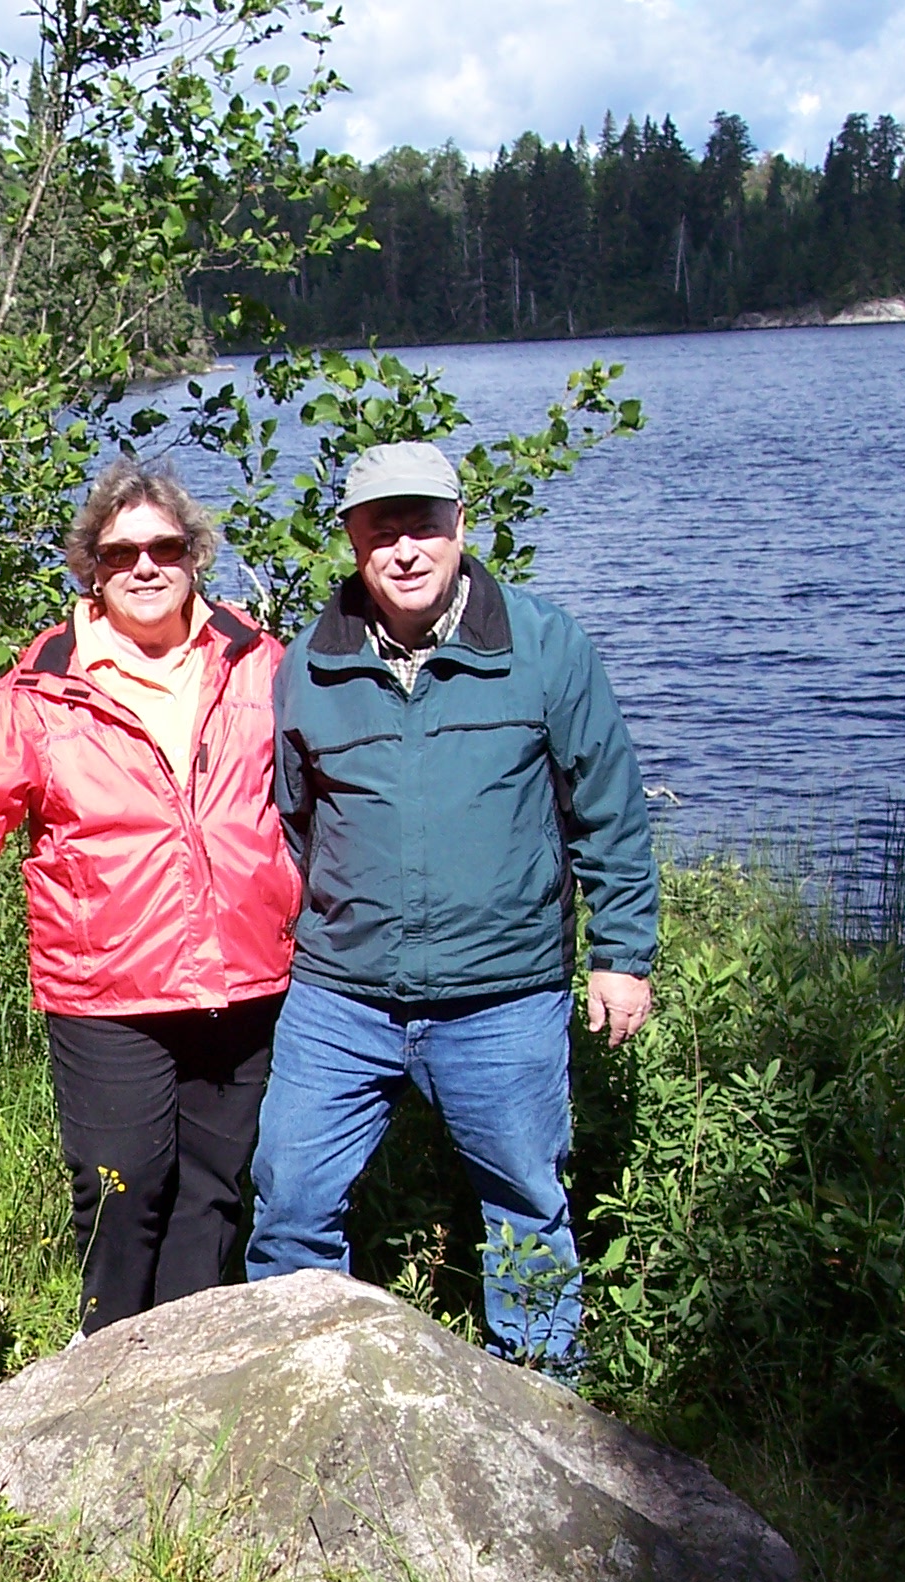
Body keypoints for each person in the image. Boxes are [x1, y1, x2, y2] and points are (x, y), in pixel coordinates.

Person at [0, 459, 299, 1337]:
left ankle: (187, 1364)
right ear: (93, 569)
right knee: (122, 1188)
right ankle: (106, 1359)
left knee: (213, 1192)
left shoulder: (260, 664)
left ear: (194, 556)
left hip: (247, 977)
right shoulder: (42, 687)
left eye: (164, 547)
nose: (145, 567)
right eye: (122, 554)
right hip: (108, 988)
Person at [243, 441, 659, 1373]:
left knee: (524, 1207)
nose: (404, 549)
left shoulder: (544, 646)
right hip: (342, 999)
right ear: (352, 541)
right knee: (292, 1198)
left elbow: (609, 808)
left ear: (460, 527)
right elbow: (295, 817)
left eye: (423, 525)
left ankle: (546, 1407)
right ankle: (295, 1390)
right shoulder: (309, 662)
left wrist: (622, 954)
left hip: (504, 998)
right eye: (380, 529)